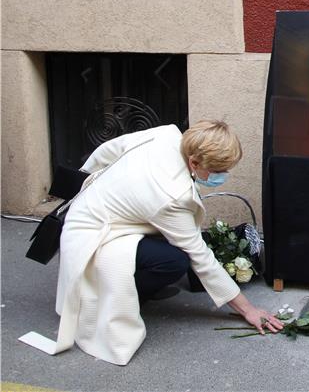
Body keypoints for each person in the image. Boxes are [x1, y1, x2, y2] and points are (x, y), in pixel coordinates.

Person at [20, 121, 283, 365]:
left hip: (98, 210)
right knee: (174, 261)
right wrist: (248, 309)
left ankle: (133, 282)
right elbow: (199, 256)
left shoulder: (166, 135)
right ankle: (111, 298)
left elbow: (106, 150)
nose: (223, 175)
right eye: (217, 171)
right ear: (193, 161)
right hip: (95, 234)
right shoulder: (172, 196)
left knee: (168, 246)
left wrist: (87, 181)